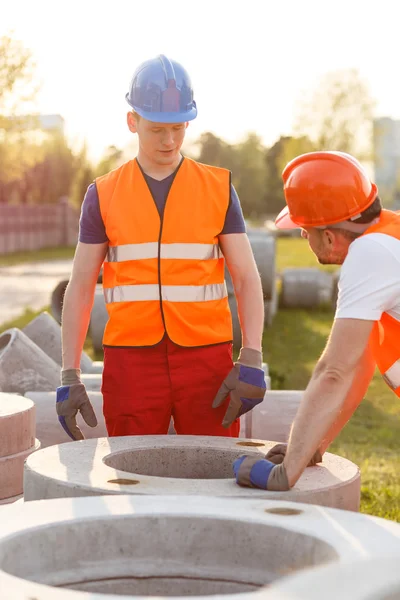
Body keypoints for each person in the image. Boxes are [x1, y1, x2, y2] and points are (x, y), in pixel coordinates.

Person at [56, 54, 266, 441]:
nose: (169, 141)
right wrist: (69, 373)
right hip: (131, 362)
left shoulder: (218, 188)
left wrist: (252, 356)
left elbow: (247, 278)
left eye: (178, 127)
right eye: (156, 130)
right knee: (130, 476)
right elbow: (81, 285)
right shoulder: (102, 194)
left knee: (212, 472)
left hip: (206, 360)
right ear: (132, 121)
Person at [234, 150, 400, 491]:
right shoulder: (387, 240)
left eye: (305, 230)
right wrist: (310, 447)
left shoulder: (369, 255)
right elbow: (355, 368)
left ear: (329, 236)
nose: (301, 237)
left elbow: (334, 372)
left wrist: (286, 473)